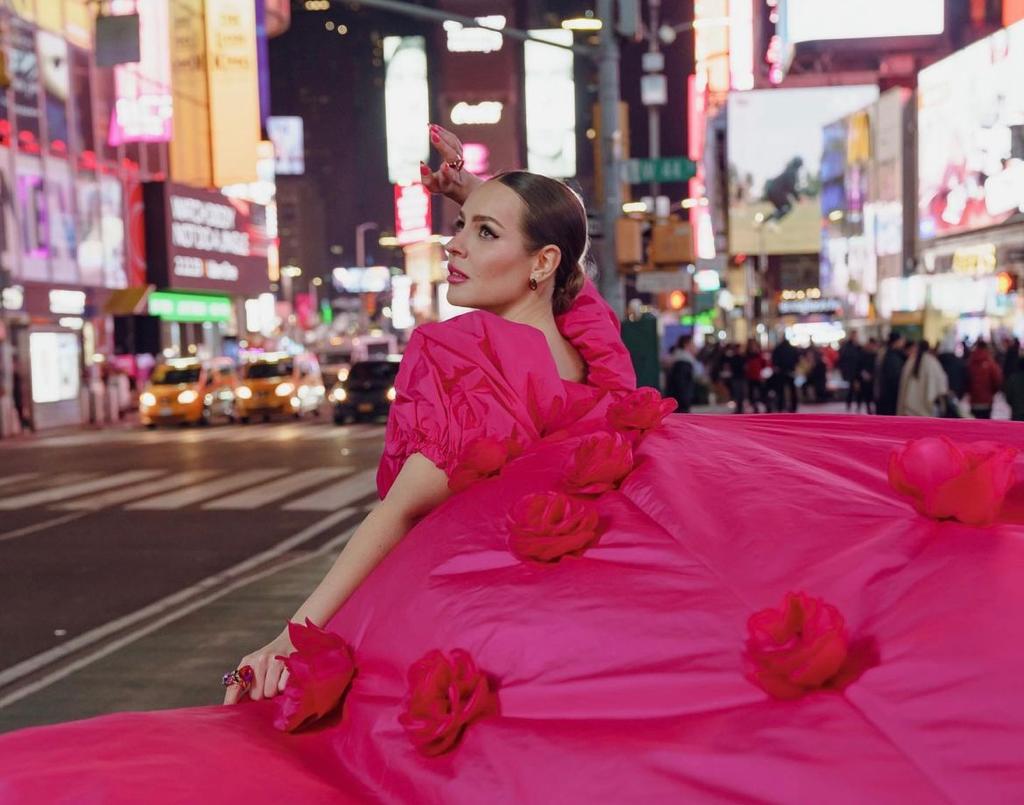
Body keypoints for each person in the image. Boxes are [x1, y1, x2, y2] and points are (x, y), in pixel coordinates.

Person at [2, 125, 1023, 803]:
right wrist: (483, 203)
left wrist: (293, 627)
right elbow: (562, 276)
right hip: (592, 594)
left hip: (470, 607)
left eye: (475, 232)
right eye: (455, 226)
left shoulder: (461, 350)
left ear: (535, 261)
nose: (452, 245)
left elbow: (399, 513)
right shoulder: (589, 347)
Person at [896, 340, 949, 417]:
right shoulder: (932, 363)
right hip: (926, 412)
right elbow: (942, 387)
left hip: (909, 409)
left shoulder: (910, 362)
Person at [966, 339, 1003, 419]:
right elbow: (997, 379)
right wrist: (993, 392)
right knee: (985, 425)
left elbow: (966, 380)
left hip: (974, 400)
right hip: (987, 400)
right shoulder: (991, 363)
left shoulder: (970, 362)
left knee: (974, 424)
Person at [665, 334, 701, 413]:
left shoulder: (679, 359)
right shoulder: (683, 362)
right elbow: (681, 385)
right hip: (681, 404)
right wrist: (685, 401)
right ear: (686, 344)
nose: (695, 347)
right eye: (693, 344)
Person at [876, 332, 906, 416]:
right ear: (896, 341)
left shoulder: (887, 353)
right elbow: (893, 377)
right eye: (902, 340)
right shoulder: (892, 356)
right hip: (889, 395)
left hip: (885, 394)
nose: (903, 342)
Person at [770, 335, 799, 412]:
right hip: (791, 371)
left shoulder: (778, 348)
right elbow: (797, 359)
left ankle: (780, 406)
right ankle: (793, 407)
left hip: (781, 372)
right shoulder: (792, 349)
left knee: (780, 391)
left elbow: (774, 360)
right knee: (792, 390)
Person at [838, 333, 862, 411]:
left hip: (857, 372)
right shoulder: (848, 348)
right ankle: (849, 405)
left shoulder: (858, 347)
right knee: (851, 390)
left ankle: (857, 406)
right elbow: (845, 362)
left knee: (857, 391)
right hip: (852, 373)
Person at [744, 338, 767, 413]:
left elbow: (764, 364)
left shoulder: (759, 354)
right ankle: (754, 406)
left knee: (760, 392)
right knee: (751, 393)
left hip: (757, 376)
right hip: (750, 376)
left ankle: (761, 405)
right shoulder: (747, 355)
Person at [855, 337, 878, 414]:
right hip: (863, 379)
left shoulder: (875, 355)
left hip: (872, 379)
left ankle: (870, 409)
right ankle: (862, 408)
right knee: (862, 394)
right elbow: (858, 366)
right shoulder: (862, 353)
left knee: (870, 395)